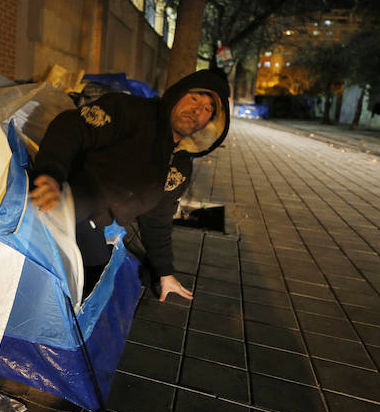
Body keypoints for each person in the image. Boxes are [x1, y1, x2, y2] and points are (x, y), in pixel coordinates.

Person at [28, 70, 230, 301]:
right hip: (64, 204)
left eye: (207, 109)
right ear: (177, 94)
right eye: (195, 98)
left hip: (99, 227)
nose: (197, 110)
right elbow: (70, 128)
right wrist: (51, 175)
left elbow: (158, 220)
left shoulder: (179, 164)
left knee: (103, 284)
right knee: (73, 278)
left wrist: (165, 273)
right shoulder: (130, 110)